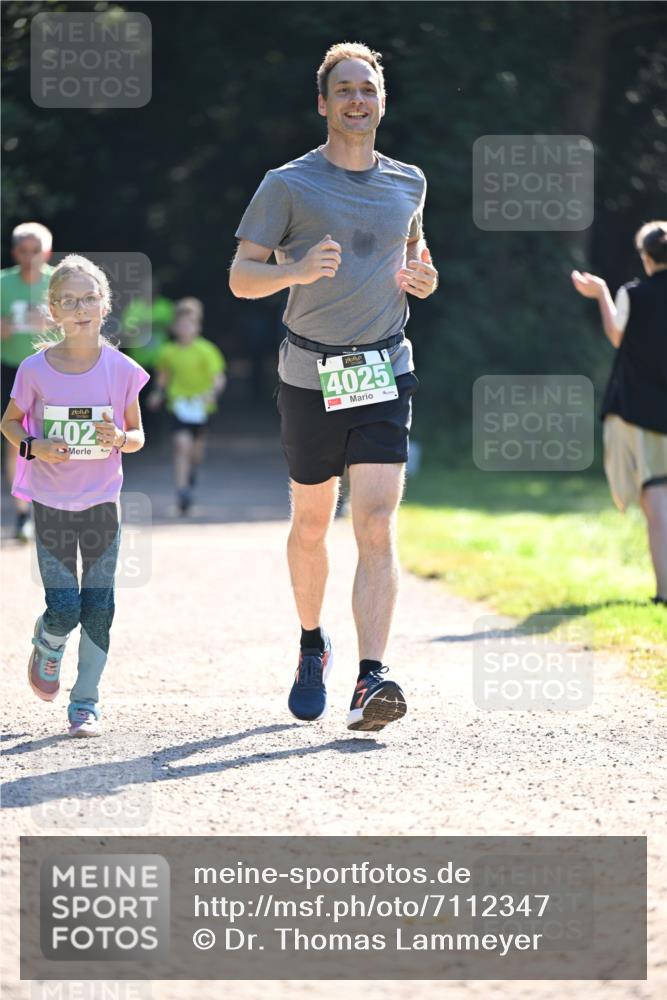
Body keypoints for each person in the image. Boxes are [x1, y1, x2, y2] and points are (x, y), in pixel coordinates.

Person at [230, 42, 438, 732]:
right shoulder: (287, 184)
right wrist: (294, 269)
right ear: (323, 103)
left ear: (382, 101)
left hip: (383, 367)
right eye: (343, 90)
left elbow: (415, 257)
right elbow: (240, 276)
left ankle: (371, 678)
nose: (356, 100)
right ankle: (311, 642)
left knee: (375, 520)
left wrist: (424, 279)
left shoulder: (409, 181)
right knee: (312, 523)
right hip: (308, 374)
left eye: (367, 90)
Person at [0, 255, 149, 736]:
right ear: (53, 311)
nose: (80, 307)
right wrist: (34, 445)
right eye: (69, 300)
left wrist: (119, 440)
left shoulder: (123, 369)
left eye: (88, 298)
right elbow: (9, 423)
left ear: (104, 305)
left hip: (103, 502)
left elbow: (137, 433)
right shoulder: (34, 369)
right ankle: (48, 642)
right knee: (65, 607)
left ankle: (85, 703)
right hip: (51, 505)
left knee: (100, 606)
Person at [571, 220, 667, 606]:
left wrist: (601, 295)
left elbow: (617, 336)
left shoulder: (635, 293)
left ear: (645, 257)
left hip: (642, 412)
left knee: (657, 503)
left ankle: (663, 592)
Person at [147, 297, 226, 514]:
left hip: (202, 408)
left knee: (196, 452)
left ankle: (190, 475)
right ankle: (182, 491)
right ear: (174, 328)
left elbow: (218, 378)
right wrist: (157, 393)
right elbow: (162, 376)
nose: (185, 328)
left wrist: (212, 393)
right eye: (181, 325)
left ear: (197, 327)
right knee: (182, 445)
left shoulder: (207, 350)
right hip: (178, 406)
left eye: (189, 324)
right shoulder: (168, 352)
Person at [0, 222, 54, 540]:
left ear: (47, 251)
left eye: (37, 251)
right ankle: (23, 513)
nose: (31, 257)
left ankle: (52, 509)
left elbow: (87, 324)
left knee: (54, 438)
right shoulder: (2, 283)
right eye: (24, 251)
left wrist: (54, 323)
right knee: (16, 441)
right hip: (11, 370)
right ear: (14, 252)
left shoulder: (61, 282)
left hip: (53, 373)